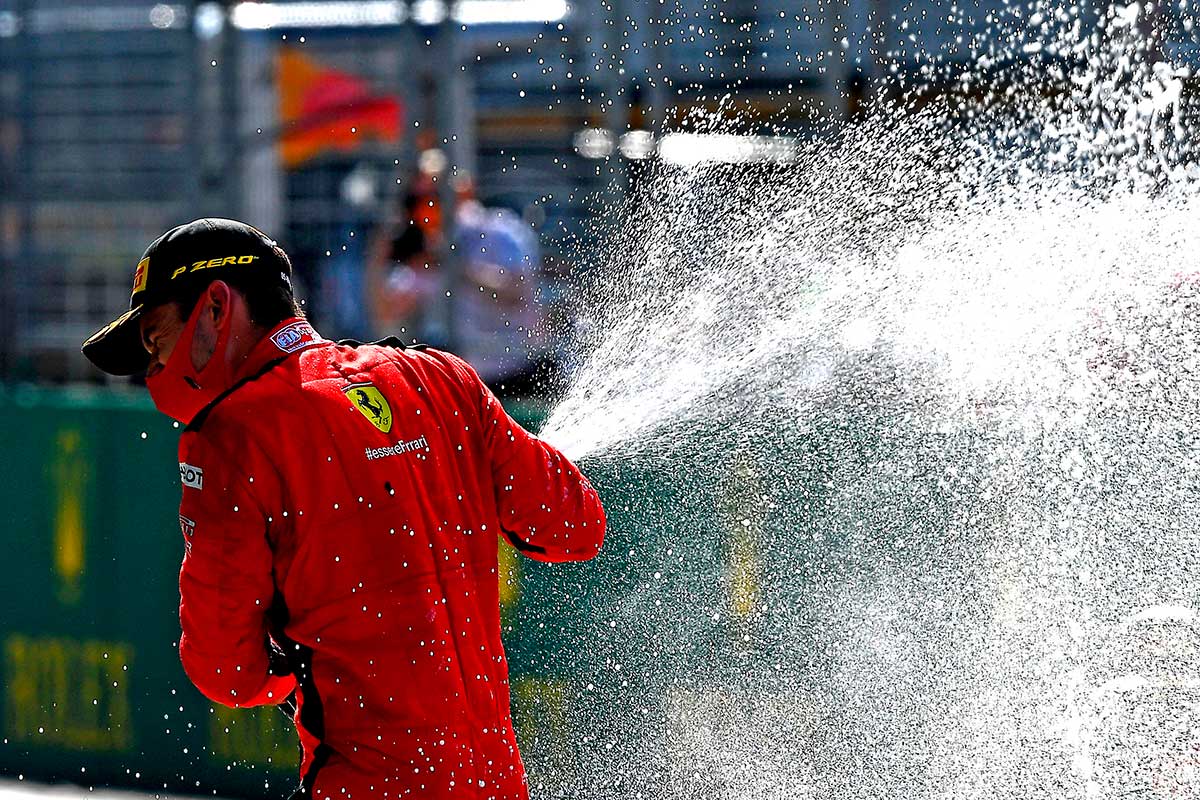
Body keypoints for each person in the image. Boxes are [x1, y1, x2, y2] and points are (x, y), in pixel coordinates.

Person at [81, 219, 606, 800]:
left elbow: (226, 671)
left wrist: (286, 658)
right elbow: (576, 524)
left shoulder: (232, 436)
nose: (153, 369)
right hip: (495, 783)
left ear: (215, 309)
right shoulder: (444, 378)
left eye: (156, 341)